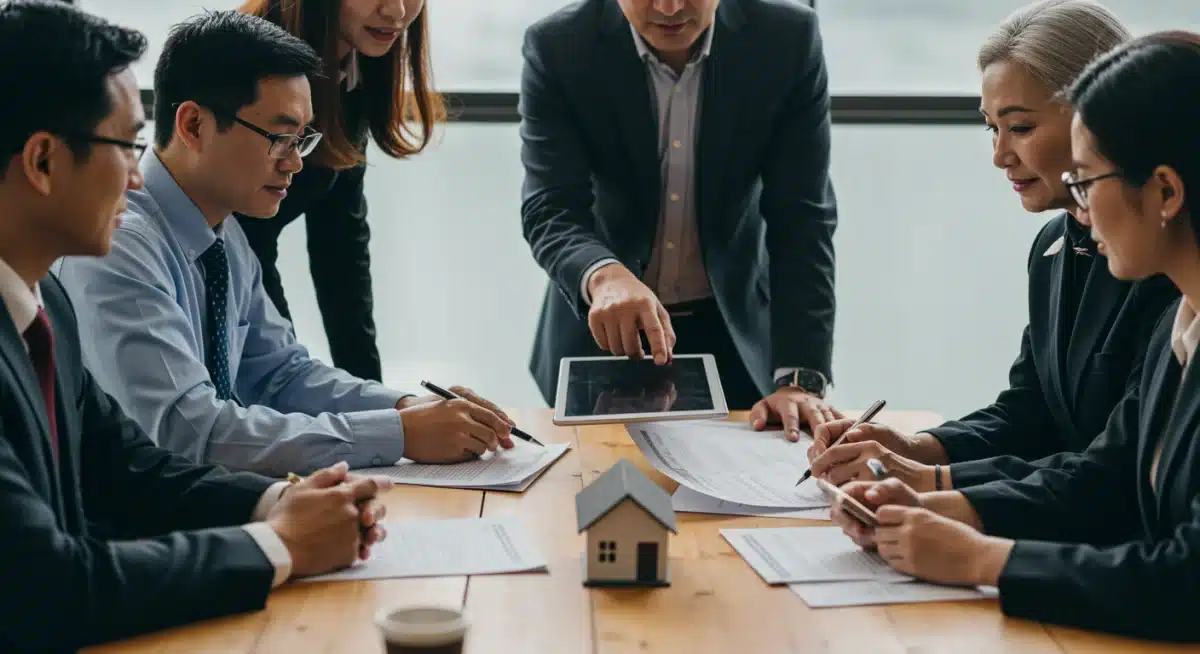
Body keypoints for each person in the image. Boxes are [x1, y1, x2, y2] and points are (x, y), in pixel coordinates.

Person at [0, 2, 387, 649]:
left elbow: (128, 466)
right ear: (42, 162)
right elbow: (49, 585)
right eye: (125, 146)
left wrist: (273, 506)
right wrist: (276, 545)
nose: (137, 173)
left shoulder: (45, 308)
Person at [831, 30, 1200, 642]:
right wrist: (934, 506)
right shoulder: (1178, 327)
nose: (1078, 210)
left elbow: (1186, 577)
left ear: (1165, 190)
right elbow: (1106, 476)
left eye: (1085, 182)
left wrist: (983, 559)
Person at [56, 11, 512, 478]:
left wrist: (411, 406)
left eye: (303, 138)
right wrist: (399, 432)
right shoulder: (118, 244)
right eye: (279, 138)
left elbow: (282, 373)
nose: (296, 163)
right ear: (193, 125)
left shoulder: (224, 234)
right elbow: (190, 432)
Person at [808, 0, 1177, 491]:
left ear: (1101, 115)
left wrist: (934, 483)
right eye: (992, 127)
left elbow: (1113, 470)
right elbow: (1031, 412)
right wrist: (915, 448)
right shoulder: (1054, 245)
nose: (1000, 156)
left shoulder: (1169, 263)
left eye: (1021, 127)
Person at [519, 0, 841, 430]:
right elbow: (550, 205)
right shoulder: (558, 46)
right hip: (604, 339)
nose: (669, 7)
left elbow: (802, 218)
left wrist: (800, 378)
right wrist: (603, 274)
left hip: (736, 337)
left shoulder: (787, 39)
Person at [232, 0, 442, 382]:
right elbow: (241, 237)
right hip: (194, 279)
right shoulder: (253, 56)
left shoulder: (358, 58)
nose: (396, 11)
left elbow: (341, 243)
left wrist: (374, 396)